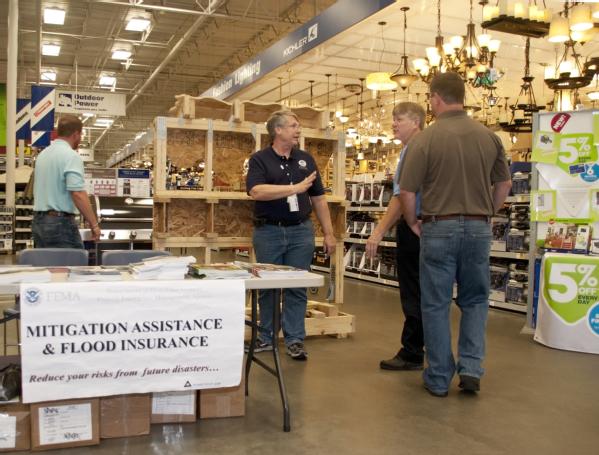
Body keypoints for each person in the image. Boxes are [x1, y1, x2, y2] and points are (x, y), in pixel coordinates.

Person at [399, 72, 512, 397]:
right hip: (478, 228)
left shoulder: (425, 139)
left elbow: (407, 191)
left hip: (438, 226)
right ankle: (472, 369)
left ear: (435, 98)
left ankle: (438, 377)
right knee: (475, 299)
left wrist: (412, 222)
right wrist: (488, 213)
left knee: (435, 303)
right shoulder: (488, 136)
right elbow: (503, 184)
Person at [246, 110, 336, 360]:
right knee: (268, 287)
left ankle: (295, 339)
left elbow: (318, 198)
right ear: (278, 130)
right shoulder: (260, 160)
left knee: (297, 287)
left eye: (298, 126)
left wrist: (329, 234)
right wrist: (295, 189)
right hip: (269, 232)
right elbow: (256, 191)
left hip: (301, 232)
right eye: (293, 126)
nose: (298, 130)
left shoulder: (305, 159)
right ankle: (266, 337)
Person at [365, 102, 425, 371]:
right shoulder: (424, 147)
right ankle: (427, 350)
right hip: (433, 227)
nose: (394, 124)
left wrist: (377, 232)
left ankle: (412, 352)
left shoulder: (413, 150)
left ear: (416, 121)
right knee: (430, 293)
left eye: (399, 119)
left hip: (415, 228)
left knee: (413, 292)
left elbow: (401, 196)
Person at [32, 114, 101, 248]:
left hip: (38, 222)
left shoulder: (42, 155)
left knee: (47, 267)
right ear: (76, 134)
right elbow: (77, 194)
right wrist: (94, 224)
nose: (80, 139)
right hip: (59, 224)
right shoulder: (71, 156)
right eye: (80, 135)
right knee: (74, 265)